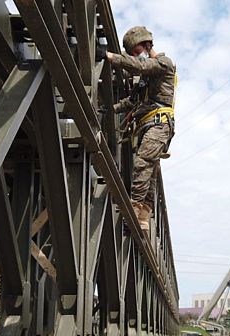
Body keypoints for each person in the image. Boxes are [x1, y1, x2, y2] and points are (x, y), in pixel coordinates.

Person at [97, 26, 176, 232]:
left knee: (142, 163)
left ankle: (133, 211)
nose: (135, 56)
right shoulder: (145, 80)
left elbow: (140, 65)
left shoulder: (163, 64)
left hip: (159, 123)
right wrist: (109, 109)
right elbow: (131, 102)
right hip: (147, 125)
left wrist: (111, 57)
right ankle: (142, 218)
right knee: (149, 171)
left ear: (146, 44)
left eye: (135, 51)